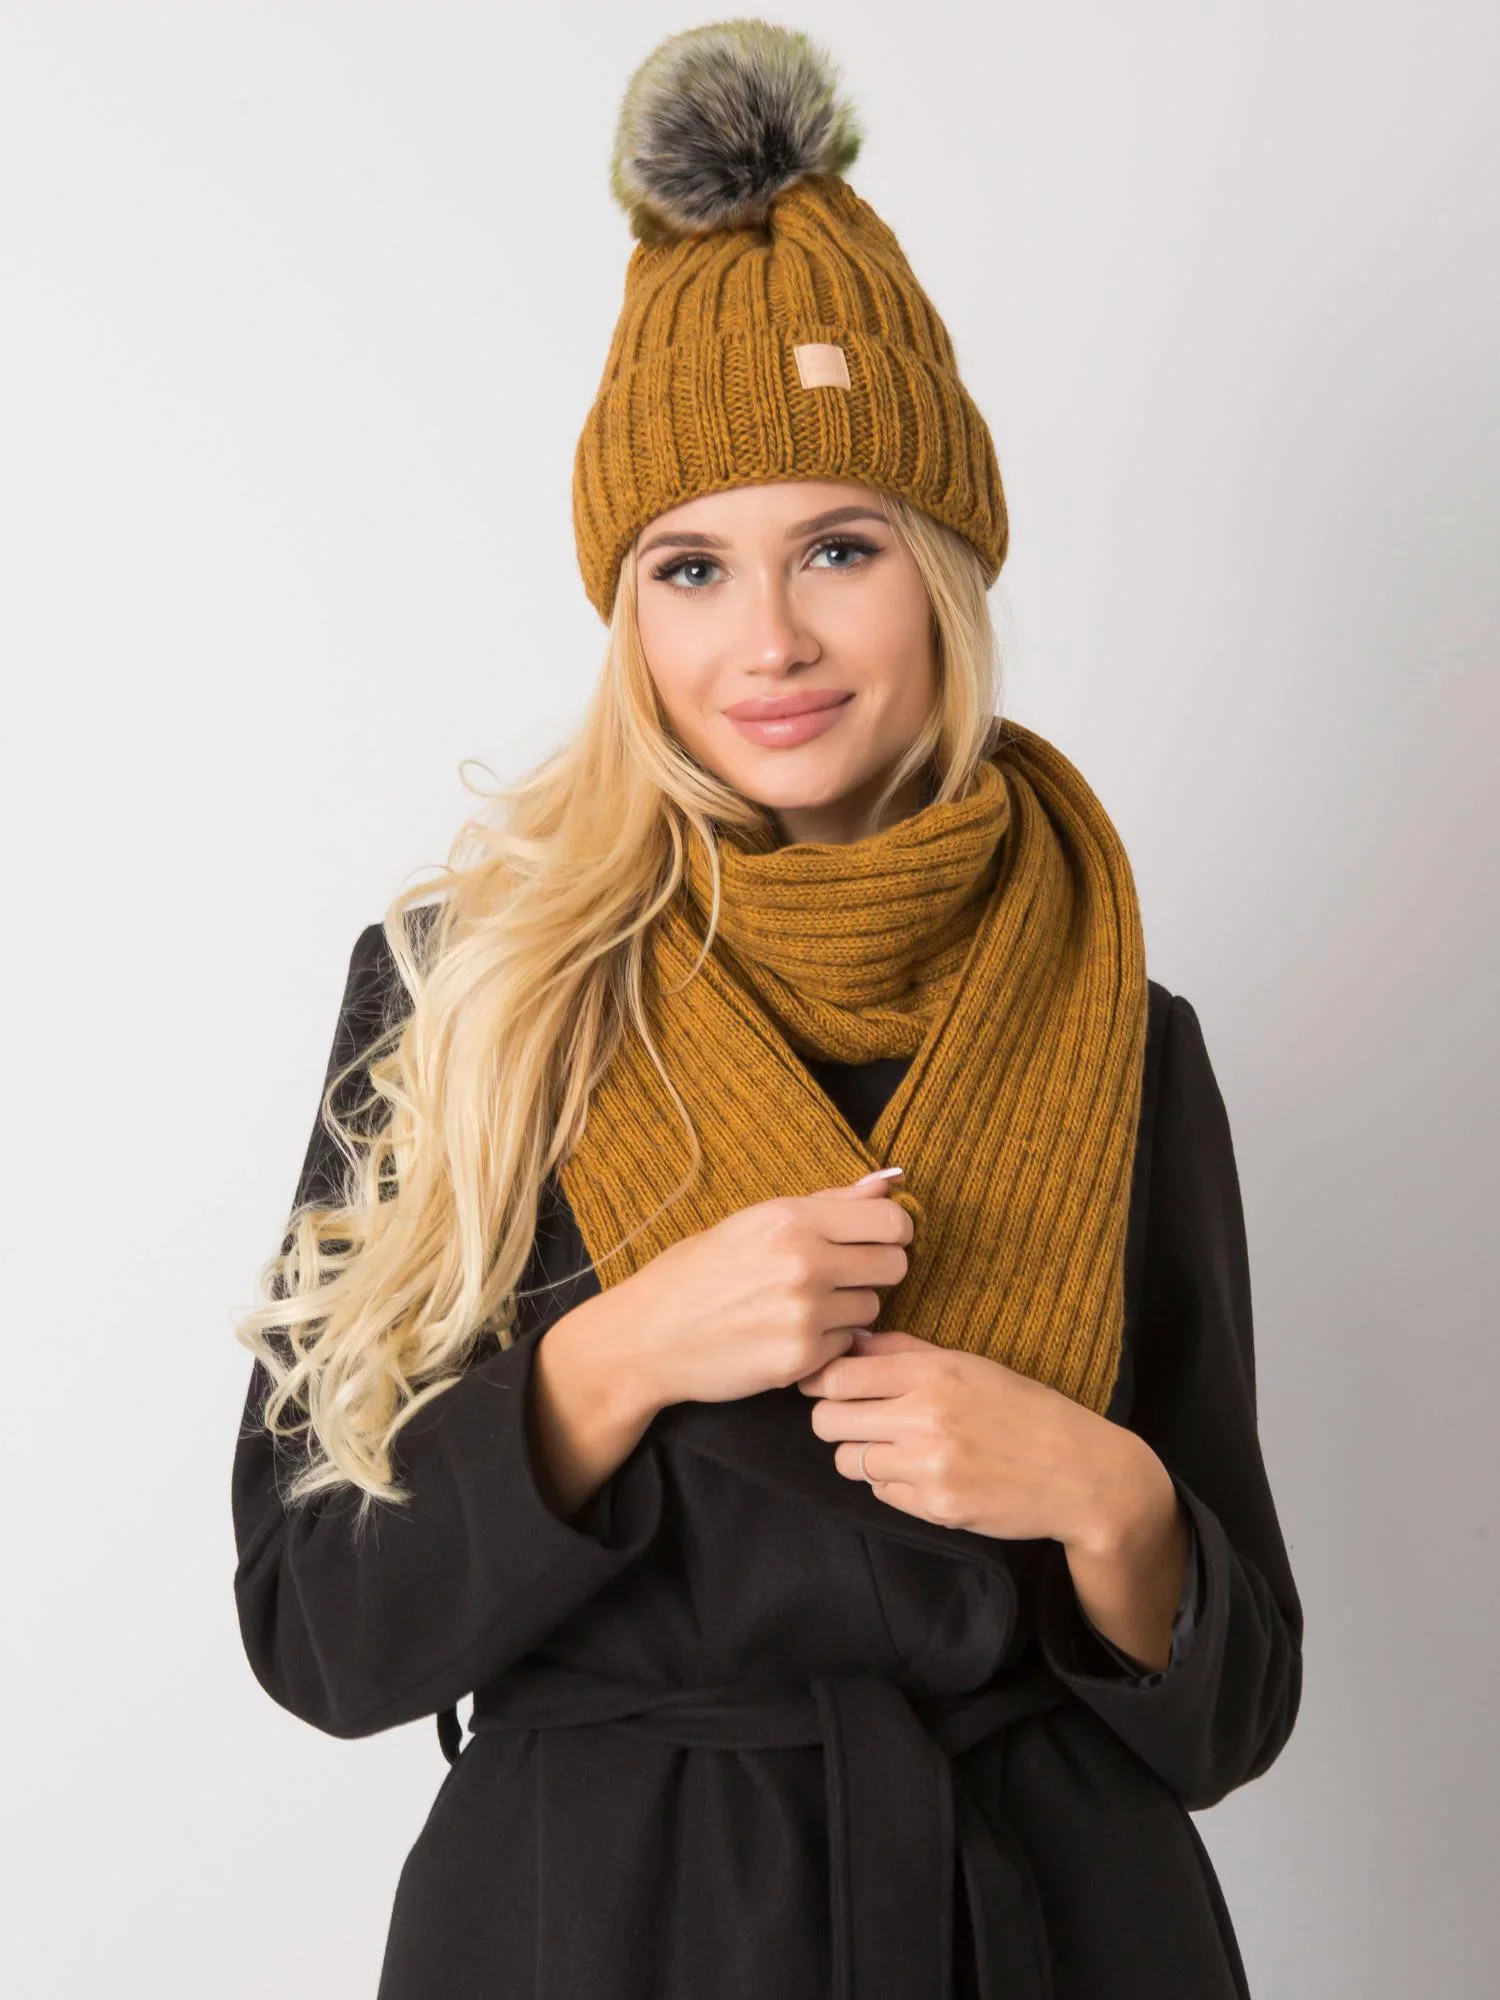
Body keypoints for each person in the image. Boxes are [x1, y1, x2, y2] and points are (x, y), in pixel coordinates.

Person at [230, 19, 1303, 1998]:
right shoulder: (473, 999)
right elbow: (316, 1628)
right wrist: (609, 1363)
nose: (773, 638)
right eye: (691, 567)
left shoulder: (1120, 1030)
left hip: (1048, 1920)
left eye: (838, 546)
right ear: (625, 612)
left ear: (941, 567)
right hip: (595, 1928)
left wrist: (1104, 1493)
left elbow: (1236, 1713)